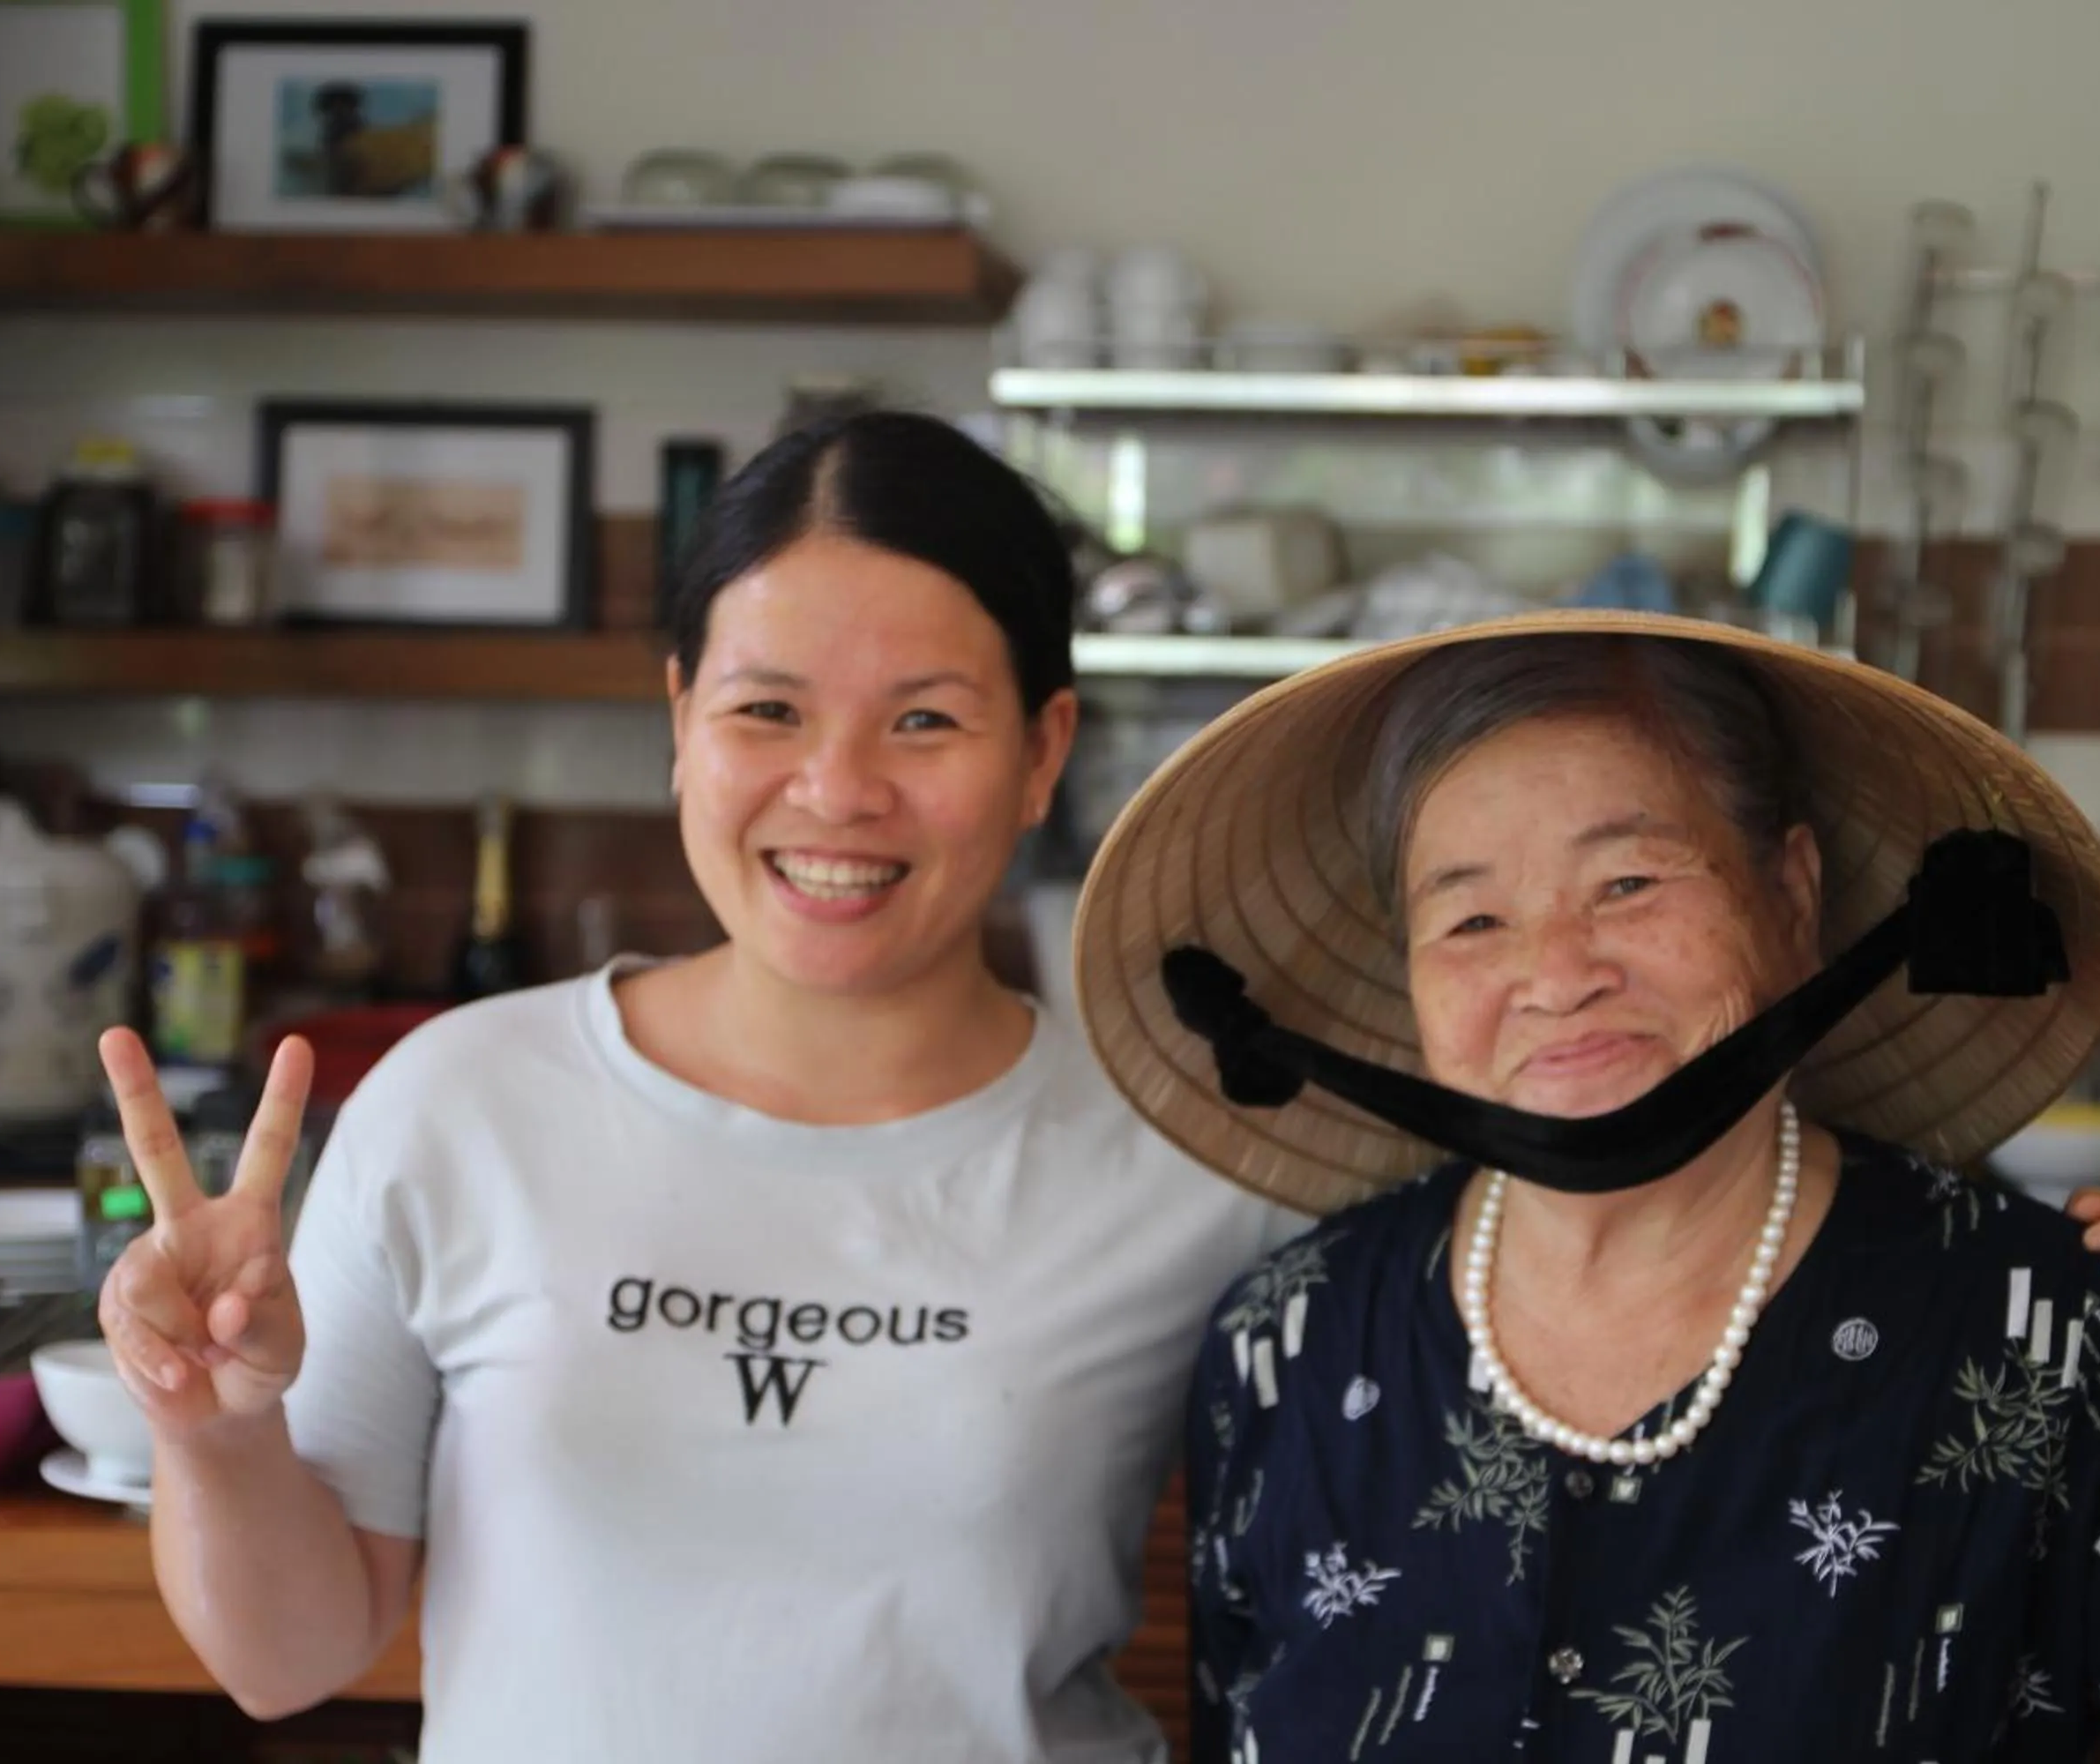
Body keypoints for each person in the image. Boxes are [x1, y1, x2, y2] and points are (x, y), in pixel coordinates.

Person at [1069, 614, 2100, 1760]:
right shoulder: (1292, 1345)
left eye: (1628, 883)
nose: (1555, 971)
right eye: (1473, 916)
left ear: (1791, 896)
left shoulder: (2031, 1334)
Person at [89, 409, 1292, 1762]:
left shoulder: (1186, 1168)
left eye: (925, 721)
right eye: (767, 710)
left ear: (1042, 753)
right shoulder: (459, 1105)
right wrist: (216, 1429)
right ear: (680, 721)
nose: (836, 791)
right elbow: (285, 1663)